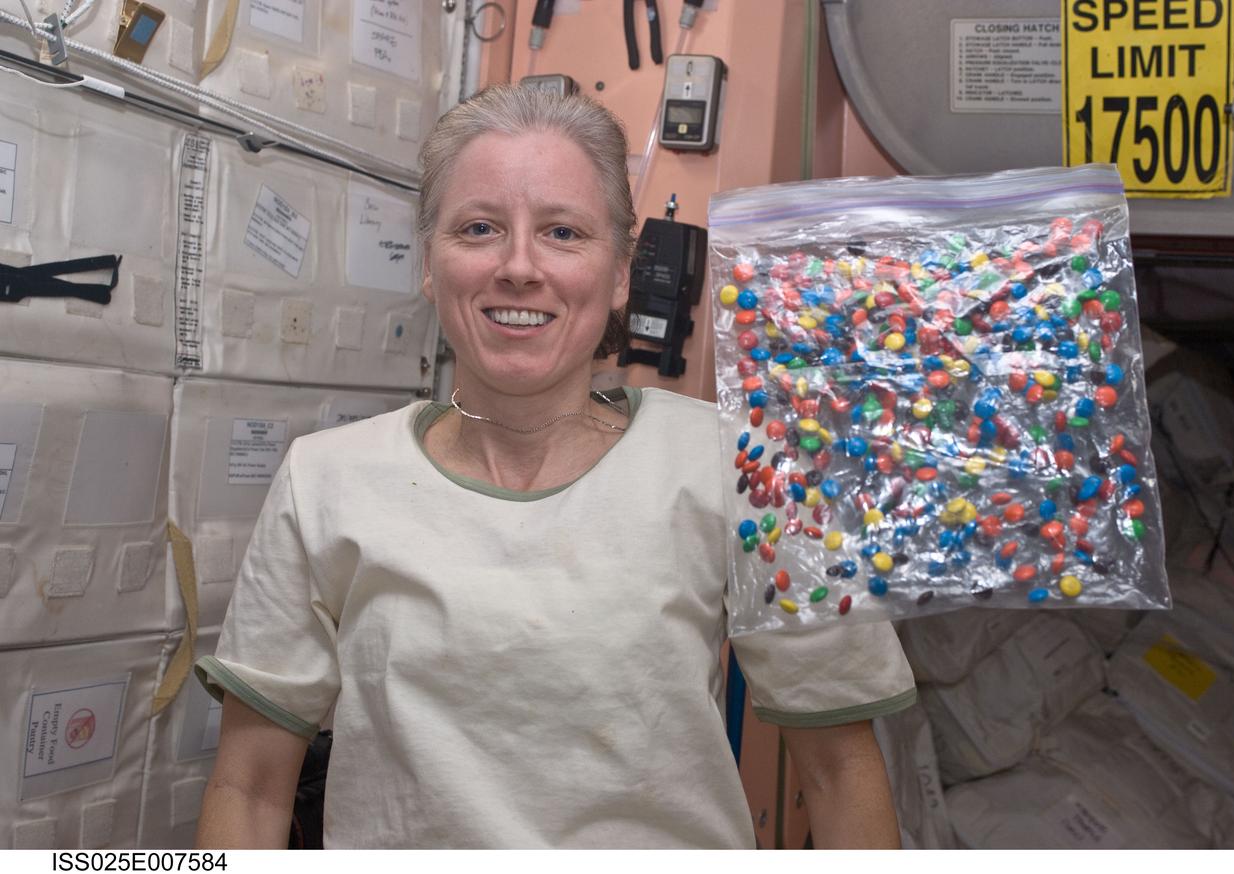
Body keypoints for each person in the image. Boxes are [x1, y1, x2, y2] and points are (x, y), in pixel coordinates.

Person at [193, 85, 916, 849]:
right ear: (431, 265)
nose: (518, 266)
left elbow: (840, 774)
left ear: (619, 277)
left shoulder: (737, 467)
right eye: (478, 228)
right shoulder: (326, 481)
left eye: (563, 232)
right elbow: (249, 787)